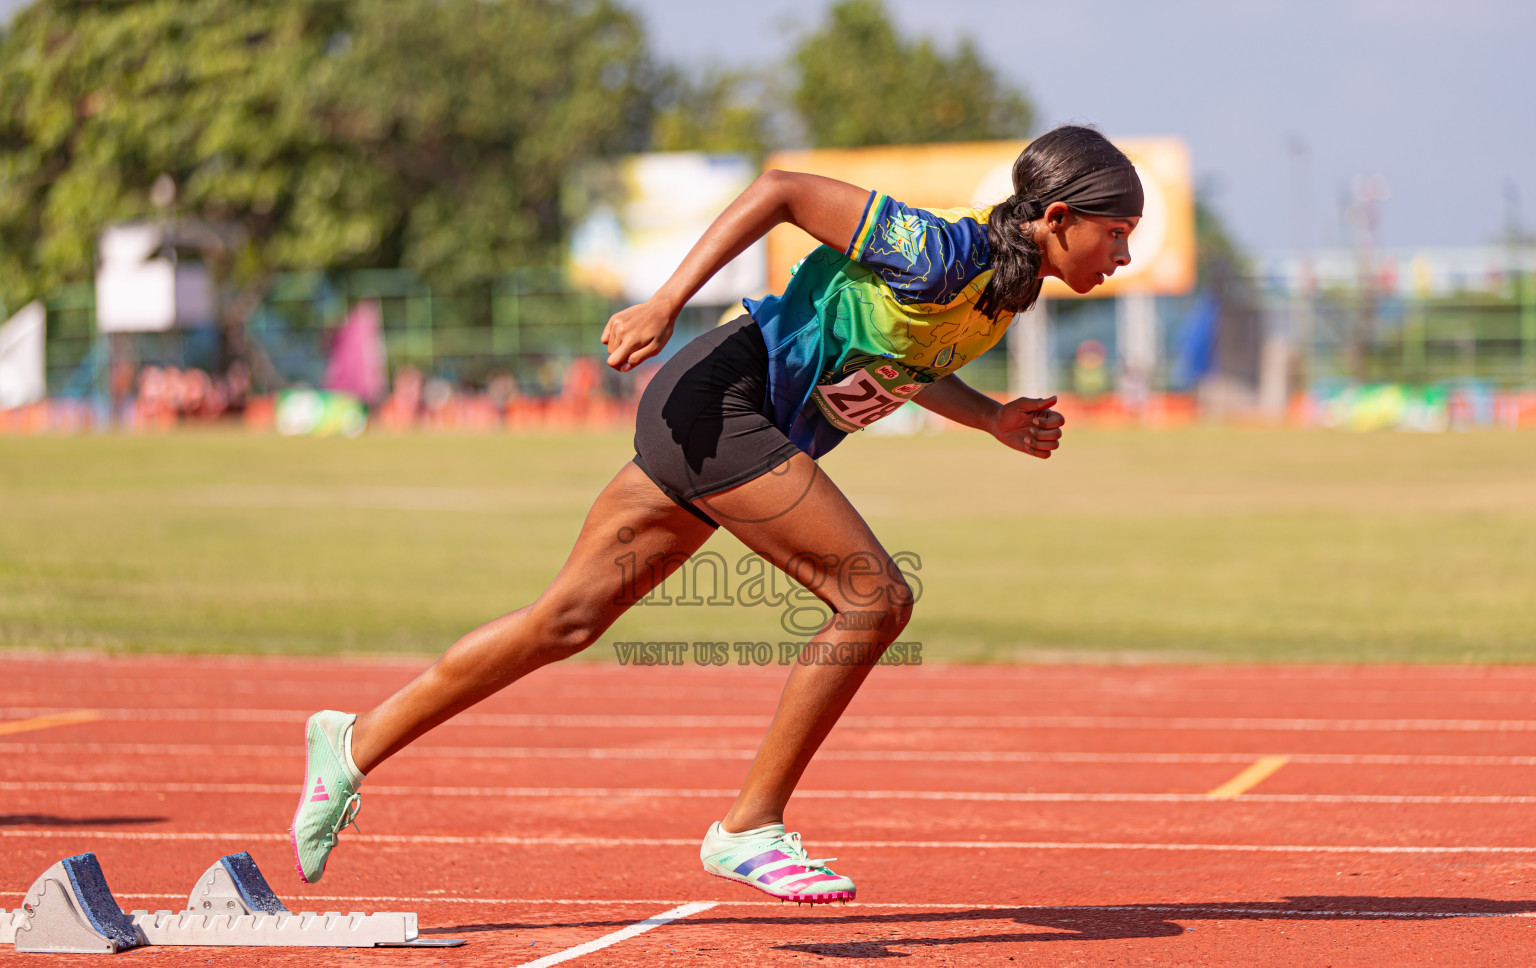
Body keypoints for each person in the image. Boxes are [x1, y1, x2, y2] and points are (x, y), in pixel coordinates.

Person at [290, 124, 1144, 904]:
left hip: (733, 426)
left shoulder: (997, 290)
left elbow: (909, 363)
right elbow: (779, 189)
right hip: (720, 401)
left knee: (566, 620)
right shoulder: (941, 247)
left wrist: (991, 417)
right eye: (1117, 235)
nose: (1125, 257)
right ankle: (748, 827)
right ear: (1061, 217)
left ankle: (352, 743)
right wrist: (666, 301)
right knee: (874, 597)